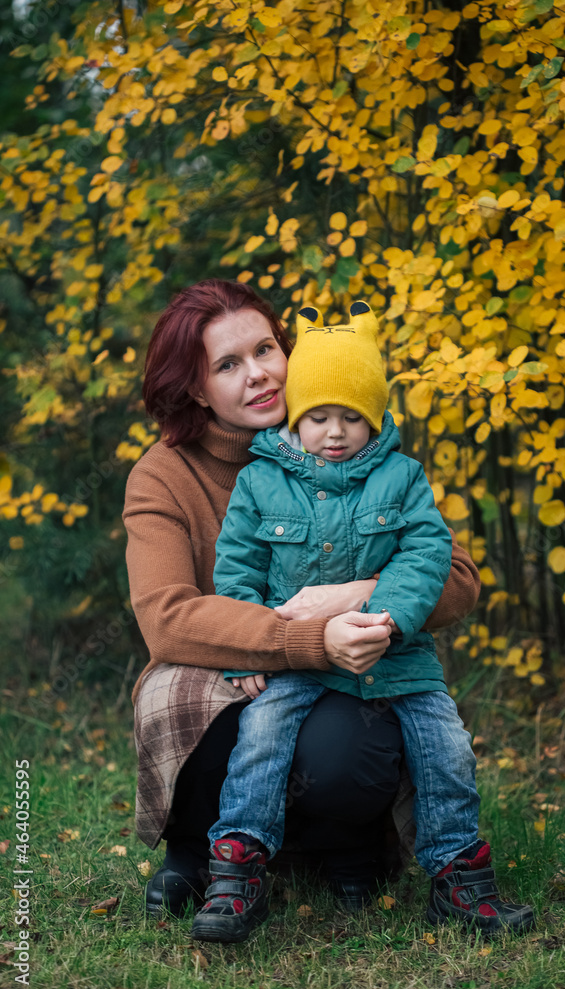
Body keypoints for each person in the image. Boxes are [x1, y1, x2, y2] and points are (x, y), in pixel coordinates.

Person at [123, 279, 482, 919]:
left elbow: (454, 575)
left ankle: (342, 844)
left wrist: (360, 593)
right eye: (228, 365)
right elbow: (167, 616)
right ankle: (193, 852)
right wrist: (303, 637)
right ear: (198, 388)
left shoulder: (362, 450)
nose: (259, 375)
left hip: (338, 666)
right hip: (229, 662)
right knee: (186, 700)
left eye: (266, 349)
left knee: (348, 750)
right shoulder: (163, 475)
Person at [190, 302, 534, 944]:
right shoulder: (261, 484)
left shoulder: (402, 478)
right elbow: (236, 575)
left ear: (374, 417)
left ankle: (458, 877)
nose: (335, 432)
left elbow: (428, 553)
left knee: (448, 748)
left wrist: (389, 617)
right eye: (319, 416)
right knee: (262, 733)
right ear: (297, 416)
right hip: (296, 659)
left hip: (397, 656)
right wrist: (251, 654)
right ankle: (238, 869)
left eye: (353, 417)